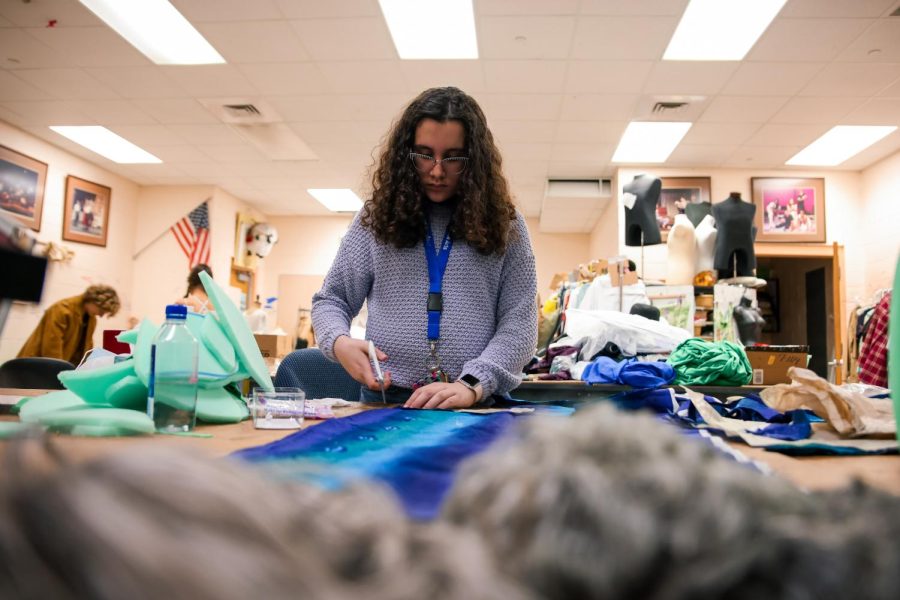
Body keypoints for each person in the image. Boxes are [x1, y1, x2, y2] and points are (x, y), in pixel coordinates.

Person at [312, 86, 538, 410]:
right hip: (387, 400)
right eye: (424, 155)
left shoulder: (506, 224)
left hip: (474, 401)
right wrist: (339, 341)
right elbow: (331, 299)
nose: (436, 170)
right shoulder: (376, 218)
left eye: (452, 158)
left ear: (474, 160)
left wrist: (473, 383)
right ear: (407, 154)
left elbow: (519, 327)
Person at [17, 284, 120, 365]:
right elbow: (51, 348)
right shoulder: (61, 310)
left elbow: (86, 347)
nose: (101, 315)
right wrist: (58, 373)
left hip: (55, 368)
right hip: (36, 365)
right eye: (101, 311)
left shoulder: (91, 318)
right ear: (93, 301)